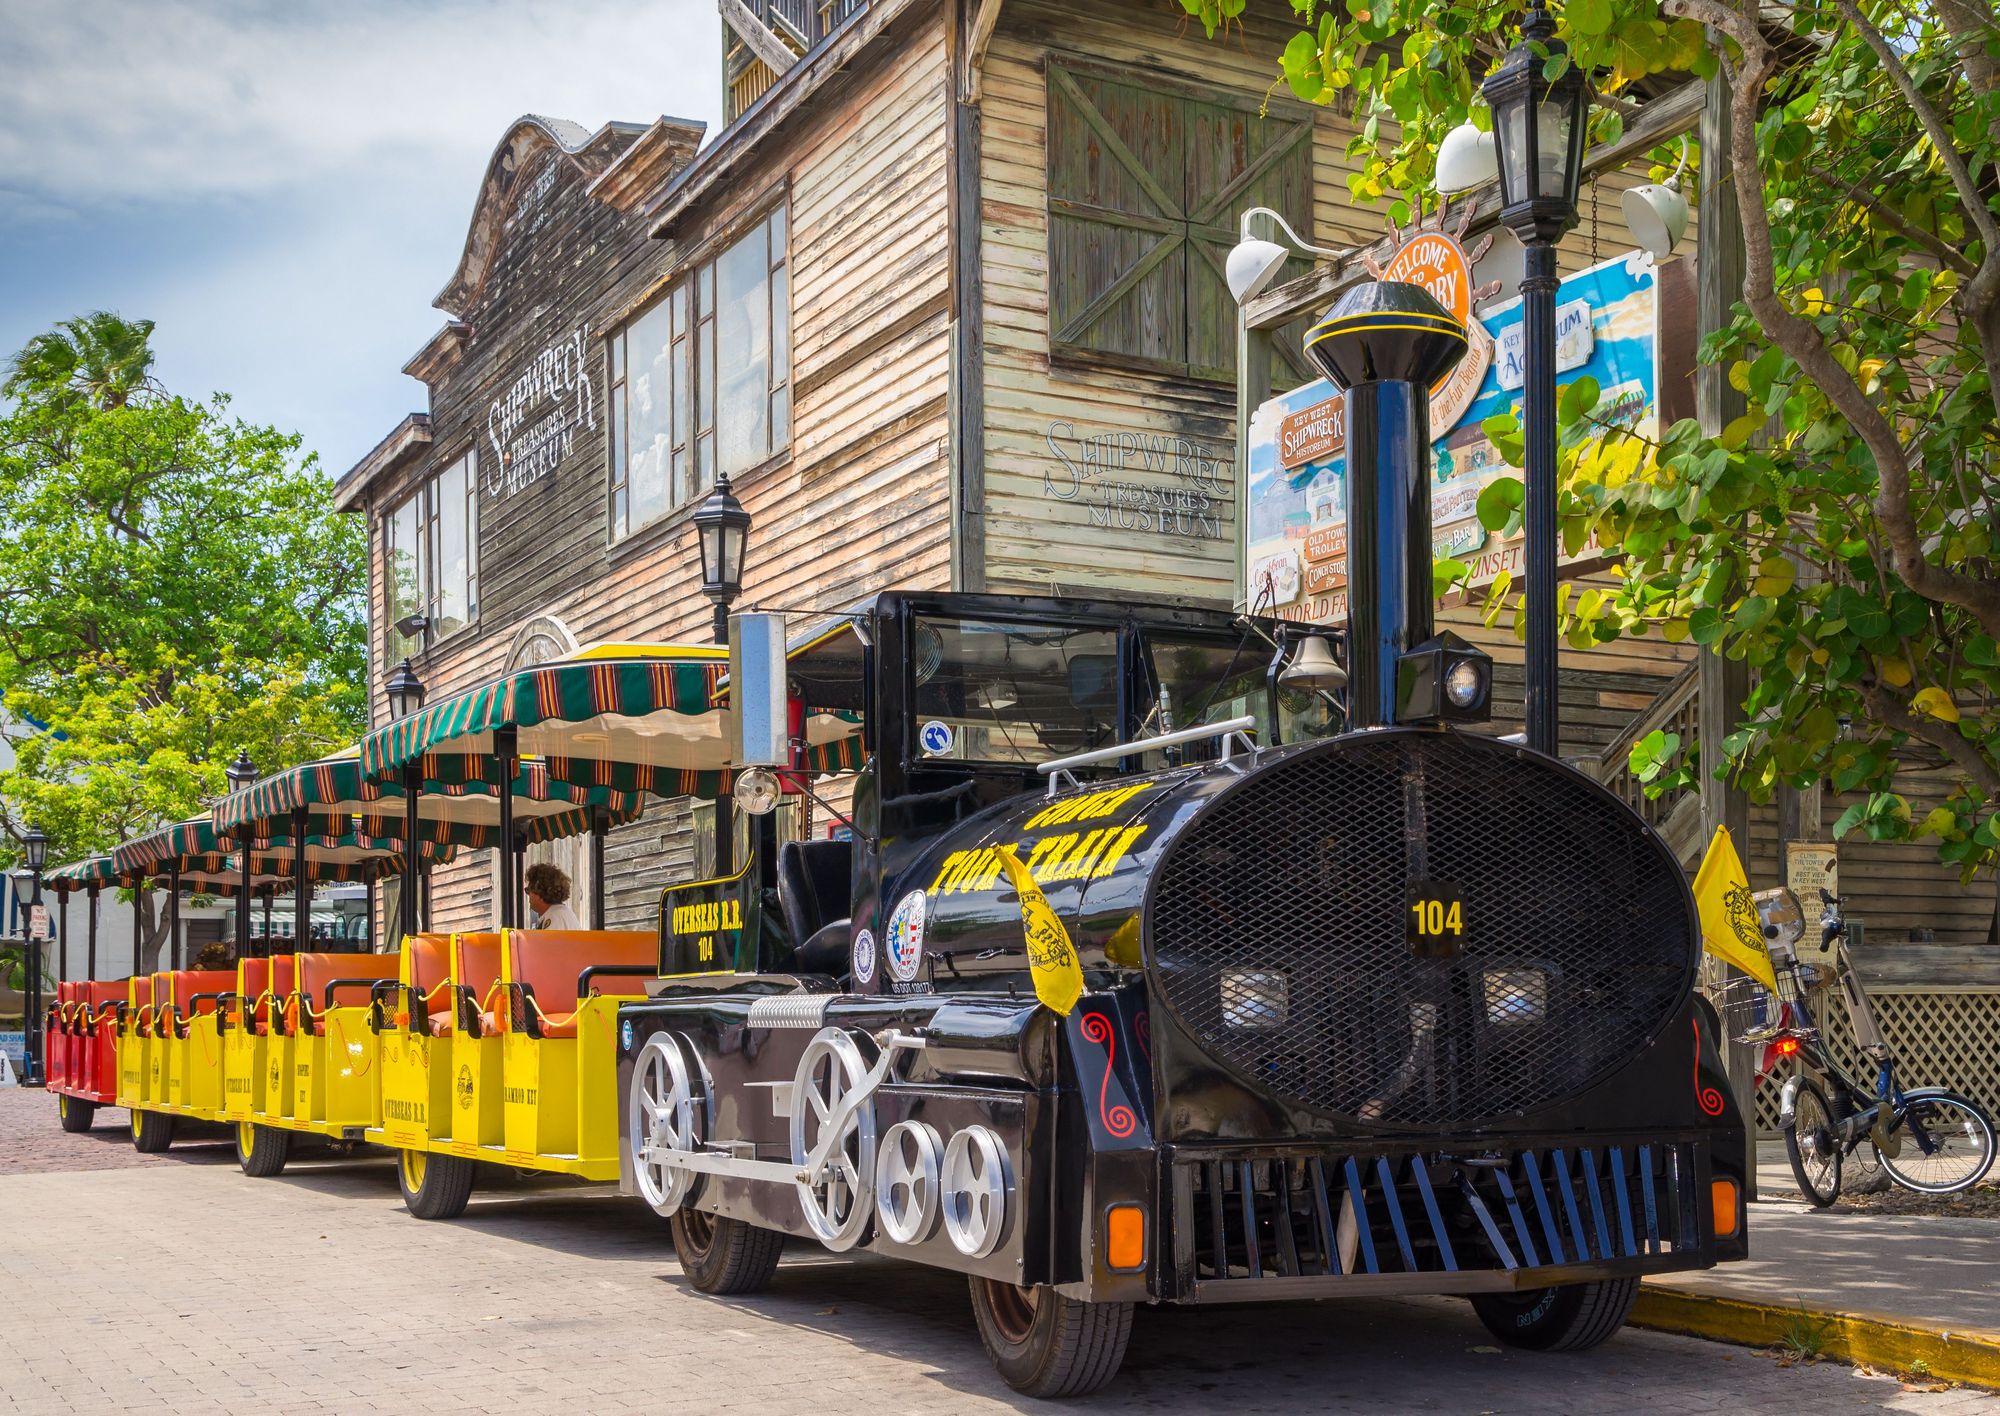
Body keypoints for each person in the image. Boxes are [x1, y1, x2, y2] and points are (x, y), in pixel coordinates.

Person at [524, 862, 581, 930]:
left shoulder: (554, 919)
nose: (528, 895)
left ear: (540, 892)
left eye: (528, 890)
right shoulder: (562, 914)